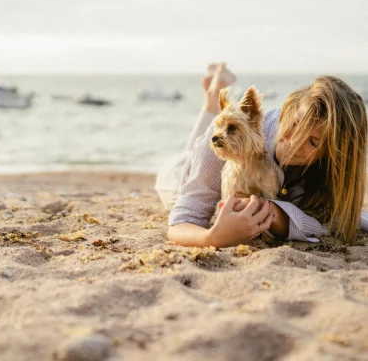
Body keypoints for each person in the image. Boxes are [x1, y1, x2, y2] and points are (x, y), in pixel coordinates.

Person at [155, 62, 368, 248]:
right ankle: (212, 99)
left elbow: (336, 221)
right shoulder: (249, 128)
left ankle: (213, 97)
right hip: (179, 175)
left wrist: (275, 212)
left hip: (223, 144)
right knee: (198, 150)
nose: (294, 142)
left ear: (332, 155)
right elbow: (183, 221)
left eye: (312, 142)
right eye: (295, 124)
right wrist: (213, 237)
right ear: (289, 107)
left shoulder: (329, 172)